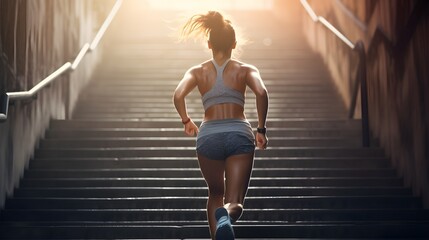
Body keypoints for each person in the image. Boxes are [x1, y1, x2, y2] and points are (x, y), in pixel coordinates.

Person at [173, 11, 268, 240]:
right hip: (239, 133)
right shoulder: (246, 69)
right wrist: (261, 129)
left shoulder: (196, 71)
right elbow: (262, 92)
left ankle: (218, 235)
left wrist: (186, 120)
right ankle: (226, 215)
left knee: (215, 193)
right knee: (234, 202)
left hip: (208, 136)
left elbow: (178, 95)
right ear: (234, 44)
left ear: (209, 43)